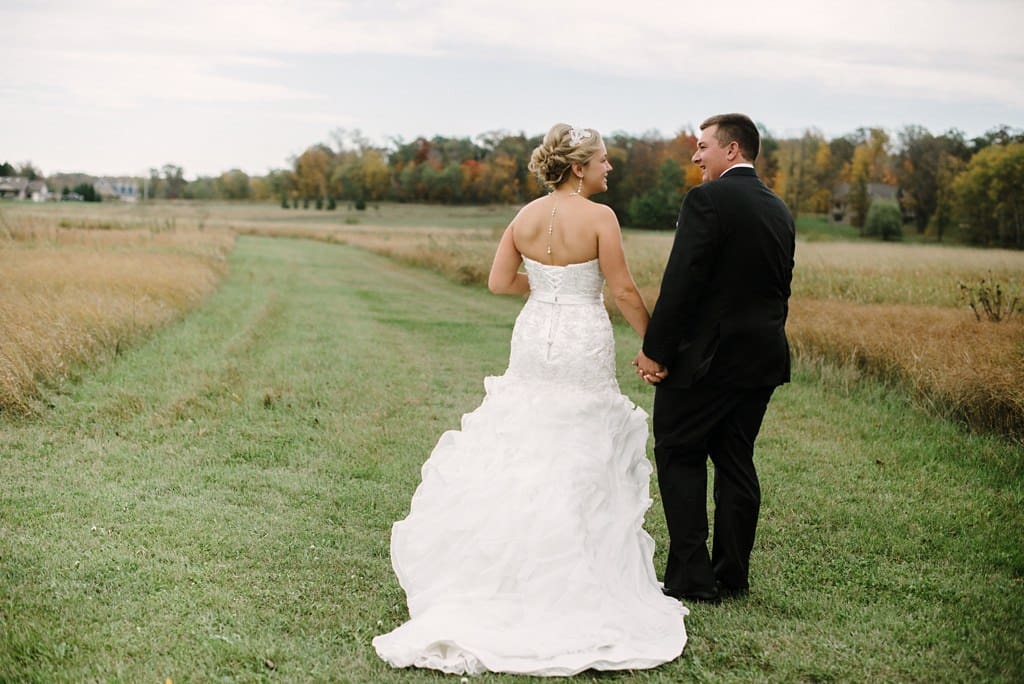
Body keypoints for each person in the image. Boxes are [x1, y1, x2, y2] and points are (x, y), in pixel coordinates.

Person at [373, 123, 688, 676]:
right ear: (578, 168)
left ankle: (506, 567)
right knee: (577, 443)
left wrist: (547, 288)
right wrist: (653, 345)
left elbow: (499, 282)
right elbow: (621, 289)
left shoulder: (522, 217)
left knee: (526, 437)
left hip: (535, 334)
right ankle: (572, 570)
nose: (609, 168)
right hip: (580, 339)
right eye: (603, 161)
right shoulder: (600, 219)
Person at [634, 113, 795, 604]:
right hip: (761, 358)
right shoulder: (779, 208)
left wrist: (654, 351)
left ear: (732, 150)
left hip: (706, 361)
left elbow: (683, 281)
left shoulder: (706, 200)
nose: (695, 156)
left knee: (679, 453)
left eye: (702, 146)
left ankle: (690, 578)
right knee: (735, 460)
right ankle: (732, 573)